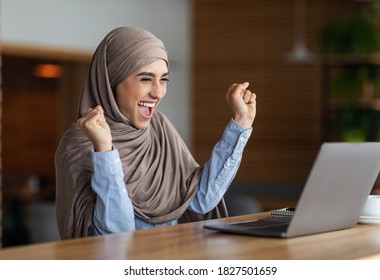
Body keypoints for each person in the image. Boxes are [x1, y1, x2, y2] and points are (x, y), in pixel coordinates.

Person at [55, 26, 256, 239]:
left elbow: (200, 200)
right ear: (111, 80)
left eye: (163, 79)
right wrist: (105, 152)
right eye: (145, 79)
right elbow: (117, 234)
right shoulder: (79, 143)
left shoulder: (159, 128)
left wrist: (241, 123)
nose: (158, 92)